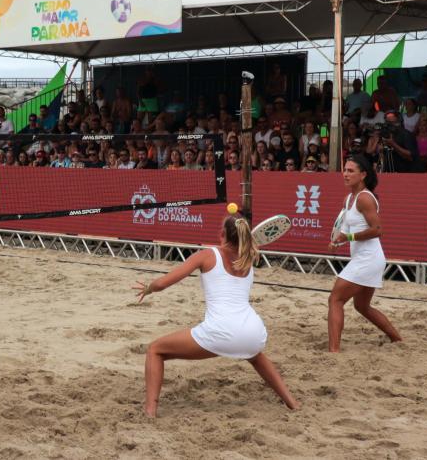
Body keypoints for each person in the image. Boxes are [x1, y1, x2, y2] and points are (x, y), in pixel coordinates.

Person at [132, 213, 300, 417]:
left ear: (222, 234)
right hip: (254, 332)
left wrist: (149, 288)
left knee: (155, 350)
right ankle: (292, 403)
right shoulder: (249, 258)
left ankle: (150, 412)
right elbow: (245, 246)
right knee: (255, 356)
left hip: (221, 331)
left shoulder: (208, 255)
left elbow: (163, 283)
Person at [327, 155, 402, 352]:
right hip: (367, 259)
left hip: (368, 259)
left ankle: (333, 350)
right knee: (362, 307)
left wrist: (348, 238)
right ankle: (397, 340)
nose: (345, 174)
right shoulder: (349, 198)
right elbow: (344, 230)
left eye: (351, 171)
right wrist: (337, 241)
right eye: (345, 170)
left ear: (363, 175)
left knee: (335, 299)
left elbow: (378, 230)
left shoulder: (365, 198)